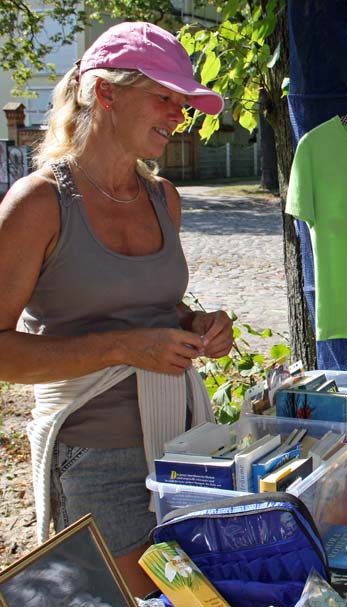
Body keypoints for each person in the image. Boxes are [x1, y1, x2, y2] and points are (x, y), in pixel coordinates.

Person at [0, 22, 233, 596]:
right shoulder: (40, 202)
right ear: (105, 93)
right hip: (94, 457)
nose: (180, 116)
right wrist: (125, 348)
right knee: (126, 596)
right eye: (165, 98)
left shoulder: (163, 197)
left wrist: (193, 324)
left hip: (182, 442)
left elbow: (147, 304)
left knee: (182, 593)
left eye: (184, 103)